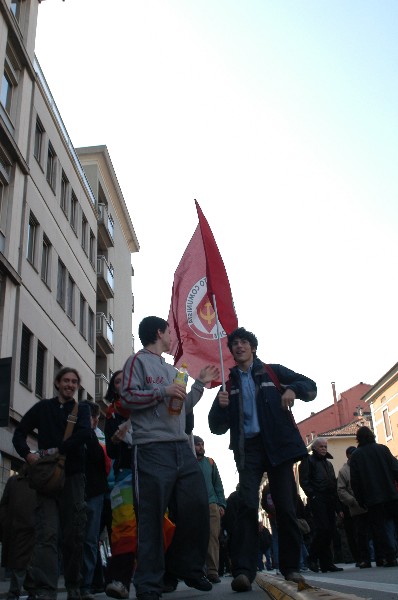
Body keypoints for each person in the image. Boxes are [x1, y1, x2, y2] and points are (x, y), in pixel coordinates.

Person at [208, 327, 317, 592]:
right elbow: (215, 427)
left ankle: (290, 567)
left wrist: (292, 390)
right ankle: (244, 570)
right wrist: (221, 408)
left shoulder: (272, 371)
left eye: (244, 342)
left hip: (278, 448)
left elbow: (310, 387)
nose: (239, 346)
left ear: (253, 347)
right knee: (246, 506)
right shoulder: (228, 383)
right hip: (248, 451)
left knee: (286, 507)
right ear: (231, 351)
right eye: (234, 344)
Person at [120, 316, 220, 600]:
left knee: (198, 505)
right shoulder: (136, 362)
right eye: (168, 331)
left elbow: (181, 407)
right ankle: (149, 584)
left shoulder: (172, 369)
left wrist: (199, 385)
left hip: (181, 447)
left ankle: (187, 567)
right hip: (151, 448)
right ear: (158, 333)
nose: (172, 337)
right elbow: (127, 398)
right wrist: (161, 391)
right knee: (151, 517)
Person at [12, 367, 91, 600]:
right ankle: (45, 589)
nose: (70, 385)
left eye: (74, 382)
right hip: (47, 479)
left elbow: (85, 434)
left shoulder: (81, 409)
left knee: (73, 534)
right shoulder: (42, 407)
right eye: (66, 380)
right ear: (57, 383)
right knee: (46, 533)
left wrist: (57, 450)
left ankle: (73, 585)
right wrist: (28, 455)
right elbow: (19, 433)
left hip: (74, 476)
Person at [104, 370, 136, 599]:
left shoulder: (146, 405)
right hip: (125, 474)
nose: (121, 384)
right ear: (114, 388)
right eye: (117, 381)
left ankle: (160, 578)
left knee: (155, 525)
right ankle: (120, 581)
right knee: (124, 528)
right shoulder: (111, 415)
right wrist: (116, 438)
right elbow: (112, 450)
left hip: (151, 472)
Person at [350, 425, 398, 567]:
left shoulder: (356, 456)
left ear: (358, 439)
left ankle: (388, 557)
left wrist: (360, 499)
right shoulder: (383, 449)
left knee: (379, 529)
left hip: (372, 499)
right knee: (394, 524)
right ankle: (392, 553)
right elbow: (396, 469)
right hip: (390, 494)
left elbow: (355, 481)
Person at [299, 437, 344, 574]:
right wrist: (312, 495)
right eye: (321, 446)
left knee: (330, 530)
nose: (324, 449)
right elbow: (304, 481)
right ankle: (312, 557)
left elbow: (333, 485)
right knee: (323, 529)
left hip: (329, 499)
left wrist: (338, 508)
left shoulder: (328, 465)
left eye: (325, 446)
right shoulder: (308, 461)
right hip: (317, 499)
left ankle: (326, 563)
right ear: (315, 448)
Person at [80, 402, 111, 600]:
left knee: (90, 539)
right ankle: (80, 583)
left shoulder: (98, 437)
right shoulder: (75, 434)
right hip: (77, 491)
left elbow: (105, 463)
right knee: (79, 539)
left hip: (95, 492)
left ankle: (86, 584)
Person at [193, 435, 226, 583]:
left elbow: (218, 485)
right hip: (194, 505)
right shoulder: (188, 462)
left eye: (202, 444)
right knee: (197, 538)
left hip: (212, 504)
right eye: (197, 445)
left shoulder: (210, 463)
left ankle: (213, 571)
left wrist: (221, 504)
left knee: (213, 537)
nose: (201, 447)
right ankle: (197, 570)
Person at [0, 465, 36, 600]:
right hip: (16, 528)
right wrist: (5, 521)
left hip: (30, 530)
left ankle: (22, 591)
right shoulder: (14, 481)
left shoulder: (39, 482)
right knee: (20, 564)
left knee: (25, 564)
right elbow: (4, 503)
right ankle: (19, 592)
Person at [337, 446, 368, 567]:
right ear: (348, 456)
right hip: (355, 507)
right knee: (359, 534)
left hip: (369, 504)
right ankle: (362, 558)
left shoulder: (364, 465)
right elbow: (341, 490)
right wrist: (352, 501)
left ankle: (378, 556)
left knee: (372, 531)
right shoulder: (344, 471)